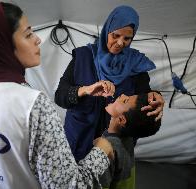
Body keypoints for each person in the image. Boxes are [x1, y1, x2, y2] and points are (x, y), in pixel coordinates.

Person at [0, 2, 115, 189]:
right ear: (1, 44)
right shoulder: (32, 105)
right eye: (28, 34)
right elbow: (69, 186)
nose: (38, 39)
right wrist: (101, 151)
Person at [55, 5, 165, 188]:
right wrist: (84, 90)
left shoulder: (136, 64)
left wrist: (157, 97)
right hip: (78, 140)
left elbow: (145, 98)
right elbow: (60, 96)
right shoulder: (83, 57)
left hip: (115, 149)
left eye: (127, 38)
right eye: (116, 35)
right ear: (107, 30)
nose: (121, 42)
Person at [99, 93, 161, 188]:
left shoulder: (107, 148)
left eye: (125, 101)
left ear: (121, 119)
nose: (122, 95)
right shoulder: (128, 139)